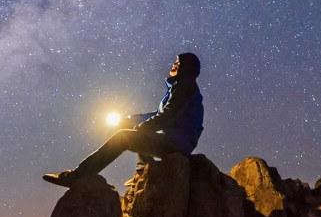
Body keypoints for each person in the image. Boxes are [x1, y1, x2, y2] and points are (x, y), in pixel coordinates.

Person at [43, 52, 203, 187]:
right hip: (177, 141)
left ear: (185, 68)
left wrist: (140, 127)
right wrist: (130, 120)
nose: (173, 65)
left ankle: (78, 176)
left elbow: (166, 117)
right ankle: (145, 171)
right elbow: (159, 114)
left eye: (177, 62)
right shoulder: (182, 88)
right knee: (138, 131)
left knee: (123, 137)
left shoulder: (184, 87)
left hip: (176, 143)